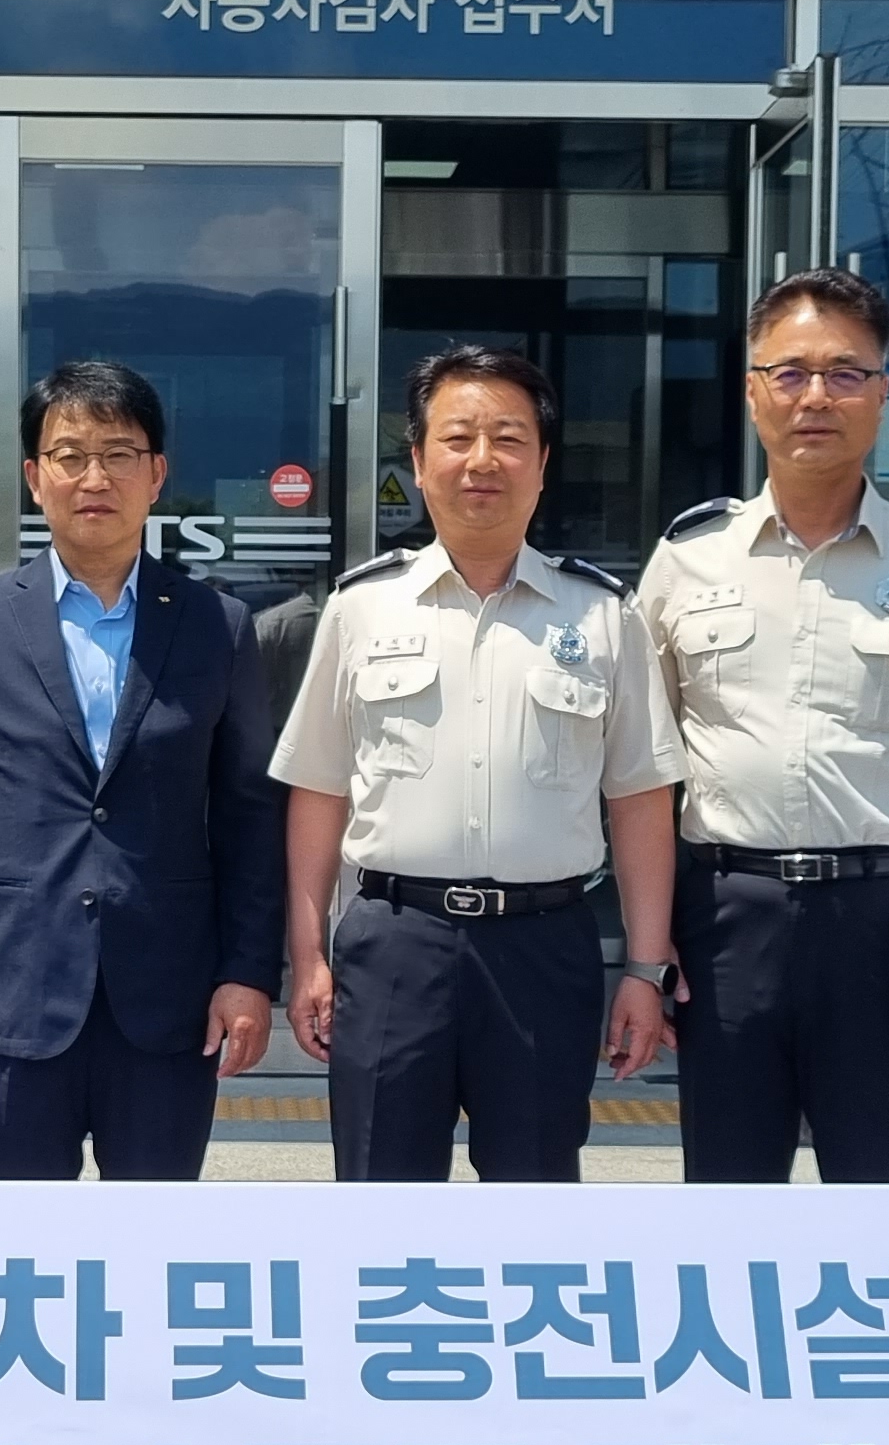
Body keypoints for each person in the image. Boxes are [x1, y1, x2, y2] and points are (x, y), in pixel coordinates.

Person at [636, 268, 889, 1183]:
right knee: (729, 1193)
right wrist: (646, 951)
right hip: (727, 917)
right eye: (790, 373)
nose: (816, 397)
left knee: (881, 1189)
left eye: (846, 373)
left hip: (884, 923)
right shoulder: (689, 557)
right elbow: (639, 775)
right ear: (752, 393)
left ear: (883, 394)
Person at [271, 345, 679, 1181]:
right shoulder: (361, 607)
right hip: (393, 942)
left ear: (543, 464)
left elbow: (641, 799)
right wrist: (307, 955)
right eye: (458, 438)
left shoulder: (604, 616)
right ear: (419, 463)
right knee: (381, 1188)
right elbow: (318, 789)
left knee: (534, 1195)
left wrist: (644, 968)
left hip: (543, 947)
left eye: (509, 439)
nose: (482, 460)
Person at [0, 359, 282, 1178]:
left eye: (118, 455)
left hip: (170, 995)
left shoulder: (217, 626)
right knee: (22, 1233)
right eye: (70, 456)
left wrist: (248, 973)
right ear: (35, 478)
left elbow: (250, 819)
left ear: (157, 475)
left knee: (152, 1231)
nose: (95, 478)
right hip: (17, 992)